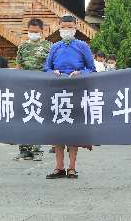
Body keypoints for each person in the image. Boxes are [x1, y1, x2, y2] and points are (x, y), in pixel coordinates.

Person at [43, 15, 97, 179]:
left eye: (70, 27)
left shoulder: (83, 46)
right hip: (57, 93)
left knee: (73, 130)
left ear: (75, 28)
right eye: (63, 27)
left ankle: (72, 167)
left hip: (76, 91)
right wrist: (53, 72)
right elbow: (46, 68)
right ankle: (59, 167)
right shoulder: (54, 47)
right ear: (59, 28)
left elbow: (92, 69)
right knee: (57, 130)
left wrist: (80, 73)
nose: (66, 30)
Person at [14, 18, 52, 161]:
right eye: (30, 31)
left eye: (36, 31)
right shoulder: (23, 47)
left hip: (42, 86)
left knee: (37, 117)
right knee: (24, 117)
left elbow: (52, 66)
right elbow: (18, 66)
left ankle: (37, 150)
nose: (33, 34)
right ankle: (24, 150)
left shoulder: (49, 46)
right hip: (25, 86)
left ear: (42, 31)